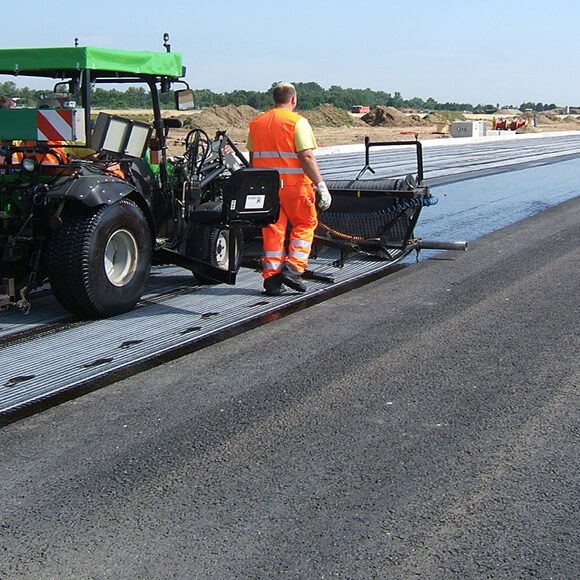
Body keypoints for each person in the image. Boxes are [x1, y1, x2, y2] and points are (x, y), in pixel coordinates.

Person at [247, 82, 332, 296]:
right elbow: (306, 156)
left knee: (273, 230)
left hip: (267, 188)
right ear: (293, 100)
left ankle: (272, 281)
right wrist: (321, 185)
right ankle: (293, 269)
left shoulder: (256, 123)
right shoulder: (298, 122)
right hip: (295, 187)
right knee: (305, 223)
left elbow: (252, 158)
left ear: (274, 100)